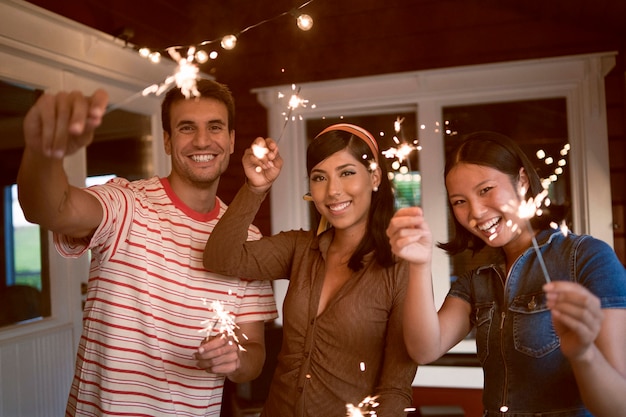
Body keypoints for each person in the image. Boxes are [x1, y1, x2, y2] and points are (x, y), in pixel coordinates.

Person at [17, 79, 278, 416]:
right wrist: (44, 151)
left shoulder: (249, 240)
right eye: (187, 128)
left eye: (214, 127)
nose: (202, 140)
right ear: (168, 141)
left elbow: (254, 355)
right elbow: (51, 208)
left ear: (230, 141)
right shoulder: (127, 204)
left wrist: (236, 359)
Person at [386, 131, 626, 417]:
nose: (475, 212)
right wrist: (419, 264)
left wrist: (584, 355)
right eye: (459, 201)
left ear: (522, 181)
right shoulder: (477, 281)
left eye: (485, 189)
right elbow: (424, 350)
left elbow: (618, 407)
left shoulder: (588, 258)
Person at [203, 124, 418, 416]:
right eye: (319, 177)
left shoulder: (401, 267)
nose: (333, 191)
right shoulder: (300, 248)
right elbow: (220, 258)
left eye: (347, 172)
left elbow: (395, 389)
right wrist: (256, 188)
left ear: (375, 176)